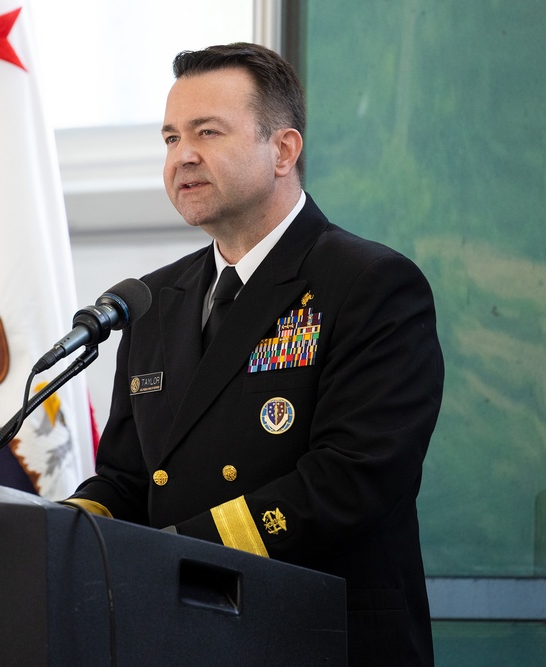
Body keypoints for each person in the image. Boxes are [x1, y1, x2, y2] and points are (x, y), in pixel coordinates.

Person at [64, 43, 444, 665]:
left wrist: (174, 552)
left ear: (284, 150)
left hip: (316, 638)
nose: (182, 156)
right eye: (169, 138)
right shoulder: (150, 300)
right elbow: (130, 478)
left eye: (207, 132)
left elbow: (351, 481)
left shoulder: (370, 284)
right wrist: (65, 532)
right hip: (176, 635)